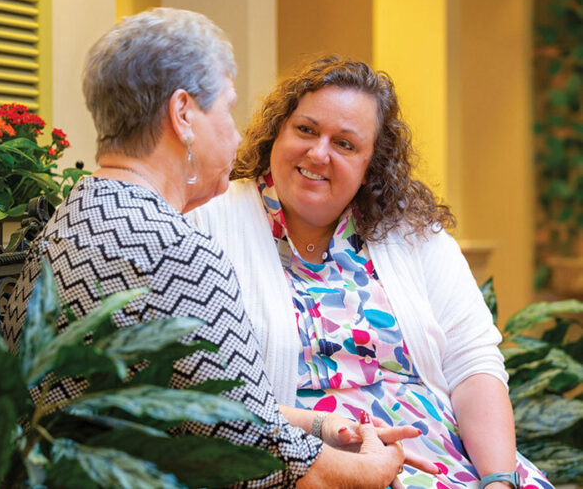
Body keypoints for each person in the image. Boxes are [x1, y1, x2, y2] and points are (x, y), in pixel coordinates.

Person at [2, 10, 435, 488]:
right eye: (226, 110)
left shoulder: (74, 212)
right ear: (183, 114)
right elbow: (256, 459)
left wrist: (318, 422)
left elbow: (212, 409)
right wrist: (370, 470)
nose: (235, 134)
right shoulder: (174, 249)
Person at [190, 55, 554, 489]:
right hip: (309, 463)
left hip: (445, 461)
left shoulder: (414, 234)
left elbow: (472, 363)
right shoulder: (207, 222)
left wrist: (498, 480)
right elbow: (203, 389)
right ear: (277, 133)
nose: (318, 152)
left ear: (370, 167)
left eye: (345, 144)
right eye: (305, 130)